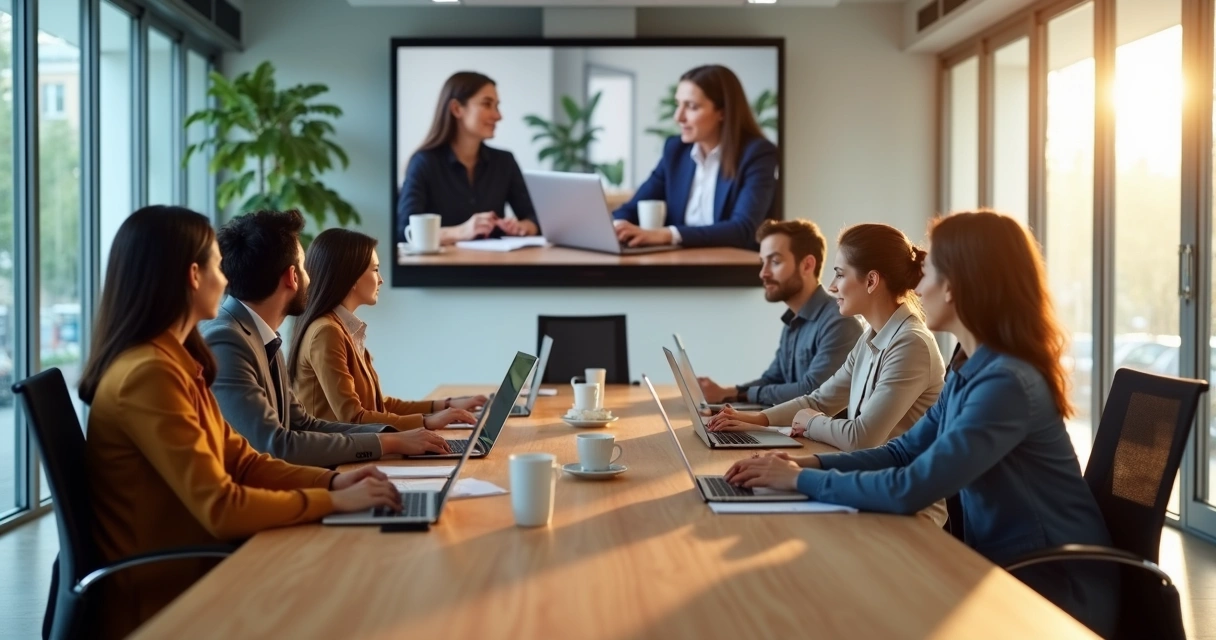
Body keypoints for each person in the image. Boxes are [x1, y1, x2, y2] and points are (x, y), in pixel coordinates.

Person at [723, 211, 1117, 637]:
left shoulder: (1006, 384)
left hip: (1052, 590)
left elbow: (911, 487)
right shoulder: (969, 368)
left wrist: (800, 481)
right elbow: (903, 450)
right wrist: (803, 465)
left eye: (928, 273)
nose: (918, 286)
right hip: (1002, 567)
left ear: (954, 286)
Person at [79, 206, 402, 640]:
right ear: (194, 276)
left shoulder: (175, 362)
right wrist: (334, 501)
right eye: (218, 266)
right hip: (168, 594)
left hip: (200, 563)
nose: (227, 279)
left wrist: (334, 482)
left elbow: (244, 460)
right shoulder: (148, 375)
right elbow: (221, 508)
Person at [203, 209, 462, 466]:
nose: (310, 278)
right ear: (292, 277)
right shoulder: (227, 341)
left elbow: (302, 423)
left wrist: (394, 438)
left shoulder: (261, 336)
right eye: (304, 268)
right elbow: (276, 445)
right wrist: (389, 443)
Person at [708, 223, 946, 452]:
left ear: (871, 281)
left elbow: (861, 438)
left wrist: (810, 422)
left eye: (840, 275)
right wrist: (754, 419)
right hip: (867, 472)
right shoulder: (870, 339)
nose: (832, 287)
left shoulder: (911, 343)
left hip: (896, 479)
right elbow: (819, 401)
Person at [291, 228, 483, 429]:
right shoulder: (326, 332)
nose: (381, 279)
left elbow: (378, 406)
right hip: (338, 449)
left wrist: (446, 406)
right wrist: (427, 422)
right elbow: (353, 418)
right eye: (375, 270)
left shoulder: (344, 328)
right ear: (351, 276)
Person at [697, 219, 863, 407]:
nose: (763, 273)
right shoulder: (793, 321)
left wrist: (733, 394)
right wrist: (726, 393)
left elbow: (813, 391)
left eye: (775, 262)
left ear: (807, 265)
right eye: (763, 263)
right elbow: (773, 379)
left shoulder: (839, 322)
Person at [612, 64, 778, 249]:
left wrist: (667, 235)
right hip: (679, 260)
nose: (678, 117)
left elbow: (744, 229)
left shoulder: (757, 154)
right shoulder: (676, 150)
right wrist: (617, 226)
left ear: (722, 112)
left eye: (691, 106)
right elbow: (632, 208)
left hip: (732, 262)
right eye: (678, 105)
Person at [397, 71, 538, 245]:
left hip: (494, 261)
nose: (498, 116)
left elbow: (534, 218)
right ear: (457, 109)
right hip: (443, 263)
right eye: (487, 104)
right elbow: (405, 231)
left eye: (496, 106)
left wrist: (523, 227)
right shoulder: (424, 163)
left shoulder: (505, 162)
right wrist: (462, 231)